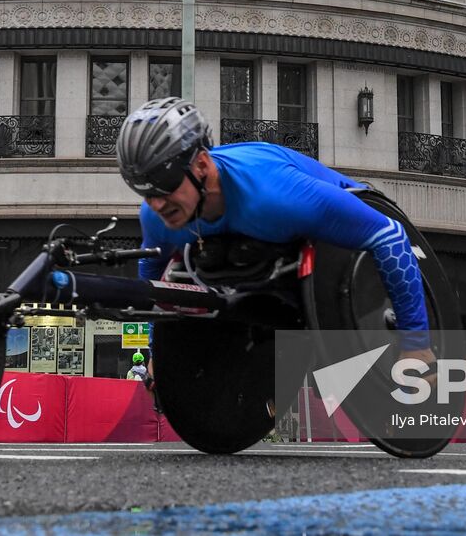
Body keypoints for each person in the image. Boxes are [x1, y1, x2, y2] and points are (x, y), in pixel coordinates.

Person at [116, 98, 434, 369]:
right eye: (145, 192)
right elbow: (152, 279)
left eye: (165, 186)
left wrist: (416, 342)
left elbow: (389, 235)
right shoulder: (157, 215)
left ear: (201, 165)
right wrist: (157, 354)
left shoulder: (278, 197)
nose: (156, 204)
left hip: (340, 227)